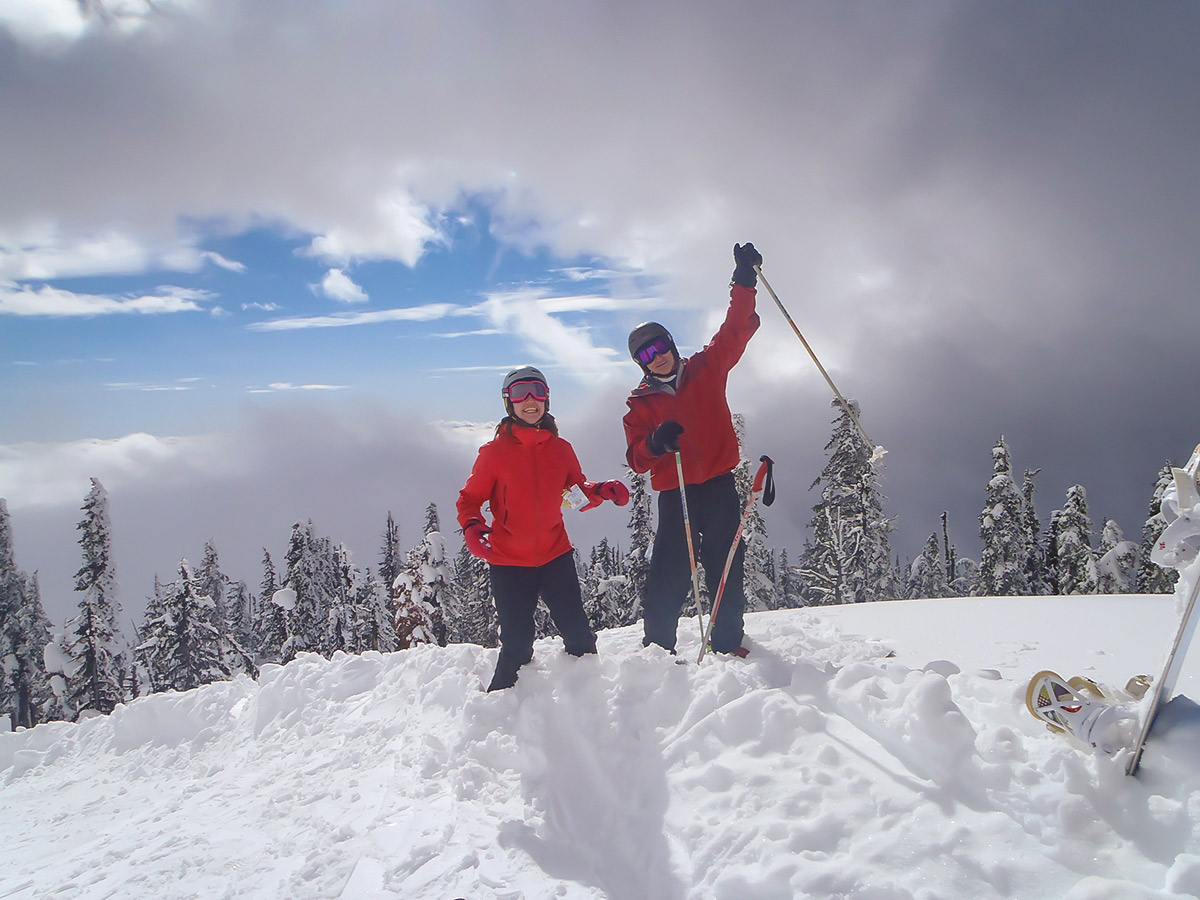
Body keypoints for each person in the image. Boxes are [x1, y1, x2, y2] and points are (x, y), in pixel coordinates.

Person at [622, 242, 762, 657]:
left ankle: (727, 643)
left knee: (727, 565)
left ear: (670, 345)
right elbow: (635, 459)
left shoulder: (706, 367)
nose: (657, 357)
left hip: (718, 486)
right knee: (670, 572)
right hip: (676, 494)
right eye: (646, 355)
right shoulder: (640, 406)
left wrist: (743, 280)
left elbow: (735, 330)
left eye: (660, 346)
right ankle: (657, 649)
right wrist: (655, 442)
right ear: (641, 364)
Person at [457, 365, 631, 691]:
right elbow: (469, 500)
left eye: (537, 392)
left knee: (579, 635)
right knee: (517, 646)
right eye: (520, 393)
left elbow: (575, 493)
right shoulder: (493, 454)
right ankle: (499, 709)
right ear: (509, 402)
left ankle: (587, 698)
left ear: (547, 399)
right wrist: (472, 528)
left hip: (555, 555)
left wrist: (602, 491)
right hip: (509, 562)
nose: (530, 400)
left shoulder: (561, 449)